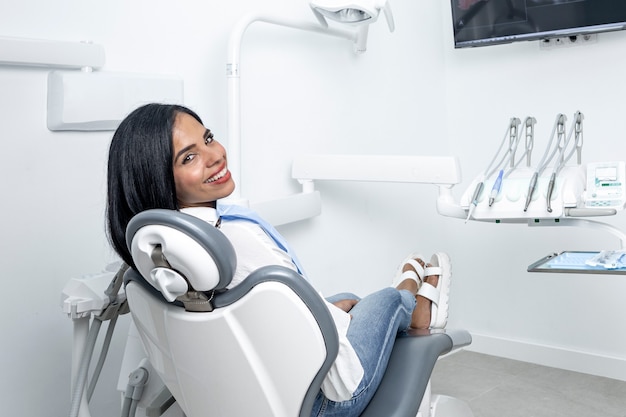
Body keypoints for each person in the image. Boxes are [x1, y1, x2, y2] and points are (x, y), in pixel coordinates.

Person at [106, 103, 451, 417]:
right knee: (385, 300)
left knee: (346, 300)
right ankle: (414, 303)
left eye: (209, 138)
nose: (214, 156)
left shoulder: (158, 260)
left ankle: (369, 305)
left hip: (248, 392)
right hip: (326, 401)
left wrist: (329, 309)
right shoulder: (233, 241)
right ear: (156, 179)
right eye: (189, 158)